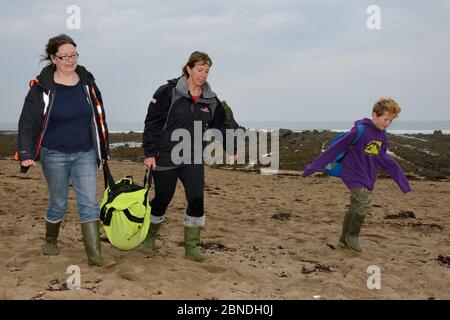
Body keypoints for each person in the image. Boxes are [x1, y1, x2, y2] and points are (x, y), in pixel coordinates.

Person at [17, 34, 109, 266]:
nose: (70, 60)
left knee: (89, 202)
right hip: (53, 154)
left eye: (73, 55)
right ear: (53, 58)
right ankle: (50, 240)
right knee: (59, 202)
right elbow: (28, 122)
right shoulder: (42, 88)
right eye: (64, 56)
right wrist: (26, 154)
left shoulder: (87, 82)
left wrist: (102, 149)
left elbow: (98, 116)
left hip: (85, 153)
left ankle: (95, 256)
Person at [142, 51, 237, 262]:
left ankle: (191, 246)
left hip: (193, 157)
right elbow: (153, 122)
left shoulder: (210, 99)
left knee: (196, 198)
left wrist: (230, 147)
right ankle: (149, 236)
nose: (203, 75)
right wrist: (149, 152)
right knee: (162, 199)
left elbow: (221, 124)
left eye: (207, 71)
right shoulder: (168, 92)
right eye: (200, 70)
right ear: (188, 69)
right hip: (166, 155)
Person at [301, 97, 412, 252]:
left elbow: (383, 157)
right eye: (385, 119)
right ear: (374, 115)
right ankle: (352, 236)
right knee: (365, 204)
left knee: (356, 205)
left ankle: (344, 237)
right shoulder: (360, 130)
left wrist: (402, 182)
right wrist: (312, 168)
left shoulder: (382, 135)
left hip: (367, 174)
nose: (387, 123)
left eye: (390, 121)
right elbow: (335, 149)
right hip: (352, 173)